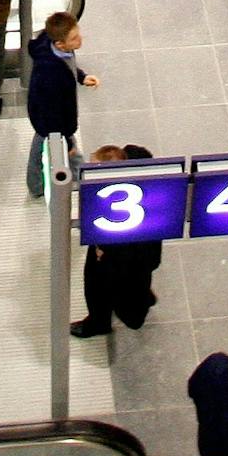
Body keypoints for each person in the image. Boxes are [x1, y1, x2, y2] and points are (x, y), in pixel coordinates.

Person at [75, 142, 164, 338]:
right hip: (132, 253)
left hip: (122, 257)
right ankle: (139, 302)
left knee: (100, 286)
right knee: (136, 284)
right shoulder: (136, 160)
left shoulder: (127, 214)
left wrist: (103, 254)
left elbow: (141, 259)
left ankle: (100, 322)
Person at [25, 8, 97, 199]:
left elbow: (68, 64)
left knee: (42, 146)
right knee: (53, 149)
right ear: (60, 44)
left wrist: (81, 77)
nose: (80, 39)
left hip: (50, 118)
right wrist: (67, 141)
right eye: (74, 38)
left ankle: (37, 185)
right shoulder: (51, 74)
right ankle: (79, 183)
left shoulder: (55, 48)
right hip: (49, 121)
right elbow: (54, 113)